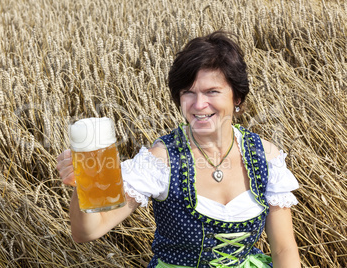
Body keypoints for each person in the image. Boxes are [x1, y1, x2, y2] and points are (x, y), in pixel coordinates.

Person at [57, 31, 301, 268]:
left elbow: (283, 249)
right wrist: (82, 185)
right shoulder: (162, 161)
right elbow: (88, 231)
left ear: (237, 97)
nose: (199, 104)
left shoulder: (265, 157)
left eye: (212, 91)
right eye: (188, 93)